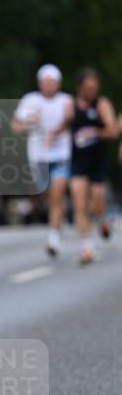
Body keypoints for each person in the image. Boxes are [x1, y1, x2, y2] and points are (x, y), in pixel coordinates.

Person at [11, 64, 73, 257]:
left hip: (61, 154)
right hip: (38, 156)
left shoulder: (66, 101)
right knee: (47, 197)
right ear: (39, 83)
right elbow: (15, 127)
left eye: (52, 81)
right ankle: (57, 223)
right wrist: (29, 123)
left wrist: (65, 124)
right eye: (45, 81)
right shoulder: (30, 100)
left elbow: (72, 122)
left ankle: (53, 237)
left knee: (56, 195)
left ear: (58, 83)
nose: (48, 84)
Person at [64, 68, 117, 265]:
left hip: (98, 160)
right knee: (79, 204)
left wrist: (95, 132)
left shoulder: (102, 104)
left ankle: (103, 219)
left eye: (94, 87)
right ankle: (86, 246)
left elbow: (112, 131)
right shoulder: (71, 106)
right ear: (80, 87)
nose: (91, 91)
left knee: (96, 202)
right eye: (88, 87)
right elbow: (63, 126)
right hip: (78, 160)